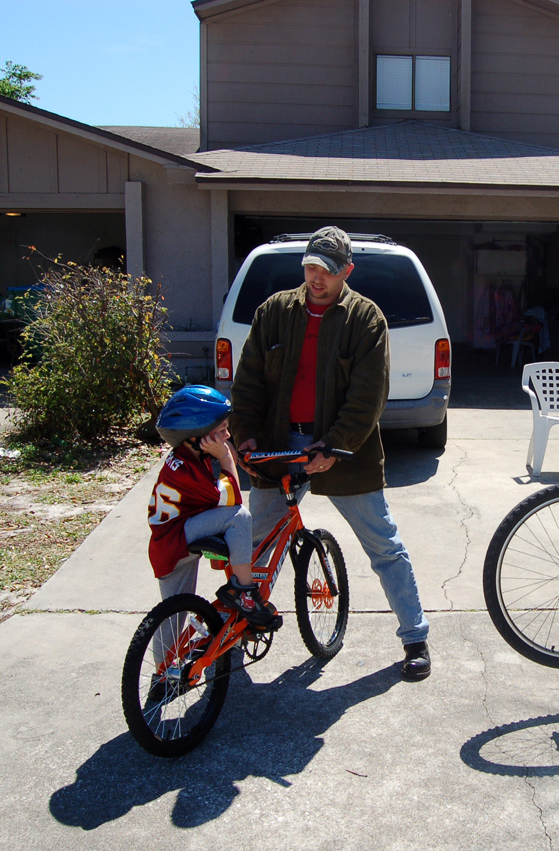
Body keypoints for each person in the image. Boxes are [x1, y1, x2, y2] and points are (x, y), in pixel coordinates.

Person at [229, 226, 433, 681]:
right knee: (257, 546)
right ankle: (237, 630)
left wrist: (335, 447)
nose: (316, 277)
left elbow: (368, 395)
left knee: (383, 544)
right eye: (310, 267)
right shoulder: (274, 311)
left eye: (327, 270)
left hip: (344, 450)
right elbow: (248, 383)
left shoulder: (366, 318)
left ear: (347, 271)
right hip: (277, 447)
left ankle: (415, 636)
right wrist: (244, 434)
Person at [147, 385, 276, 629]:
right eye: (222, 431)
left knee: (171, 619)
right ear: (197, 435)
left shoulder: (185, 459)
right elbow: (234, 500)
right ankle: (244, 591)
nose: (228, 436)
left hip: (169, 540)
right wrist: (227, 458)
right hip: (176, 540)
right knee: (239, 516)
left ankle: (162, 667)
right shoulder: (189, 473)